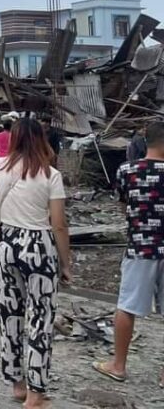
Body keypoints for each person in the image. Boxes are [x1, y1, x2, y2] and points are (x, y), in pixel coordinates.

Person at [0, 118, 71, 408]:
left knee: (10, 314)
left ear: (12, 138)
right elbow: (59, 225)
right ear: (41, 139)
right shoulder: (50, 175)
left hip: (8, 244)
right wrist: (65, 263)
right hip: (39, 247)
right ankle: (36, 394)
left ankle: (17, 384)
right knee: (41, 319)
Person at [93, 121, 164, 387]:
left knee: (127, 307)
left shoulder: (127, 170)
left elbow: (124, 207)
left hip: (140, 248)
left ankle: (119, 365)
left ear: (146, 141)